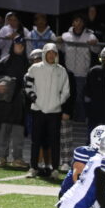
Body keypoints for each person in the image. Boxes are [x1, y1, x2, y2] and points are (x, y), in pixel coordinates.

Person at [25, 42, 70, 178]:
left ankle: (55, 169)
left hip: (55, 112)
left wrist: (58, 102)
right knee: (36, 140)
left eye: (53, 53)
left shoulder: (61, 70)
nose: (51, 55)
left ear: (56, 55)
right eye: (48, 53)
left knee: (54, 141)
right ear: (44, 54)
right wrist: (35, 100)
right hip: (37, 110)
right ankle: (33, 168)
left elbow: (66, 91)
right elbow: (28, 86)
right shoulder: (34, 68)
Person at [0, 35, 29, 168]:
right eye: (17, 45)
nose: (19, 47)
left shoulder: (27, 63)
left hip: (20, 101)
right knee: (4, 131)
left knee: (18, 132)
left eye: (21, 45)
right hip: (6, 101)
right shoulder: (4, 61)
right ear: (13, 45)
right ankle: (1, 157)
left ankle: (17, 158)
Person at [59, 13, 99, 121]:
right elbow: (60, 49)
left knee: (79, 98)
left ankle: (80, 121)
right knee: (68, 97)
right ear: (73, 22)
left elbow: (97, 51)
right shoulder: (65, 36)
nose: (79, 23)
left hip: (82, 72)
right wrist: (58, 41)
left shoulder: (90, 36)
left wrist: (95, 44)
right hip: (68, 72)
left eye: (81, 21)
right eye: (76, 20)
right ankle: (69, 119)